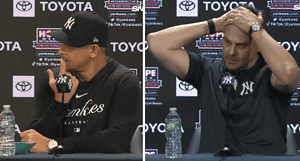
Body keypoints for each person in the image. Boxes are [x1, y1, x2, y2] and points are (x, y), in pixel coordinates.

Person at [147, 6, 299, 155]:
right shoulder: (208, 69)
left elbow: (289, 74)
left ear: (258, 45)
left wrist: (256, 28)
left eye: (241, 45)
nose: (231, 52)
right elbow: (156, 43)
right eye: (227, 42)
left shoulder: (270, 74)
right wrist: (216, 24)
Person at [19, 11, 140, 154]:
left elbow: (117, 140)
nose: (60, 51)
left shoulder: (123, 80)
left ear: (93, 50)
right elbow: (34, 140)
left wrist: (55, 145)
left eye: (69, 46)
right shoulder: (53, 79)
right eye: (61, 44)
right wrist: (59, 102)